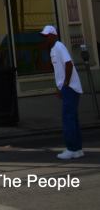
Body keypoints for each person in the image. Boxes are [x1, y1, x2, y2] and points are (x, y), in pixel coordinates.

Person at [41, 24, 84, 159]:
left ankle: (71, 149)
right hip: (68, 88)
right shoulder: (53, 49)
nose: (46, 38)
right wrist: (59, 87)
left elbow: (69, 64)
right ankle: (77, 149)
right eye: (44, 36)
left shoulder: (59, 46)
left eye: (47, 36)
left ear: (54, 35)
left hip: (70, 88)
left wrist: (65, 85)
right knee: (72, 119)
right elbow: (59, 71)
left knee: (68, 119)